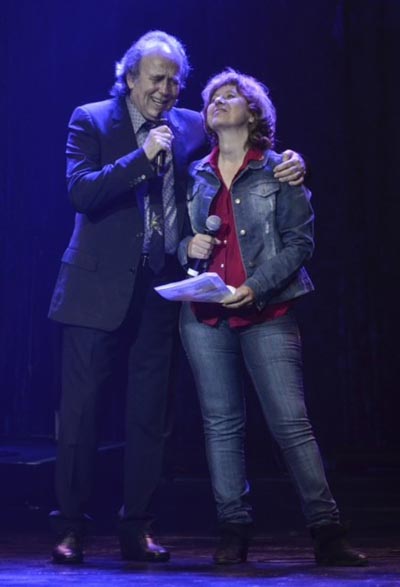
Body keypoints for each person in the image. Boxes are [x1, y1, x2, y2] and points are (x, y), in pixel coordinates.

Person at [48, 31, 305, 565]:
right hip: (94, 290)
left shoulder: (191, 124)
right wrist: (141, 158)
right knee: (81, 414)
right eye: (157, 79)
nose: (167, 90)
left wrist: (290, 163)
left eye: (175, 81)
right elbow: (81, 191)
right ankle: (71, 526)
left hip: (162, 290)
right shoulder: (91, 119)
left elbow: (240, 155)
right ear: (130, 78)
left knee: (150, 415)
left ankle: (137, 526)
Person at [178, 69, 368, 567]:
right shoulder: (196, 174)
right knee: (221, 424)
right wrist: (187, 245)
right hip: (204, 314)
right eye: (212, 98)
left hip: (269, 311)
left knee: (290, 423)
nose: (219, 101)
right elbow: (184, 239)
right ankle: (233, 529)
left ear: (254, 111)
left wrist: (256, 287)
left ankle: (327, 531)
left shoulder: (280, 170)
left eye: (231, 94)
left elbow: (301, 243)